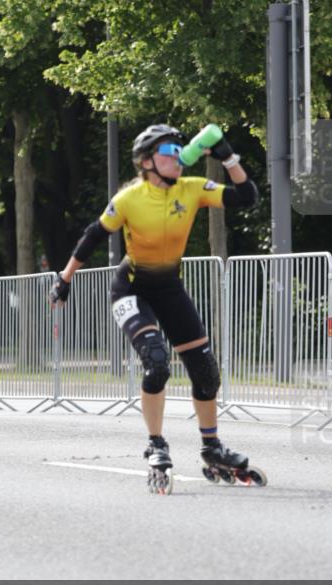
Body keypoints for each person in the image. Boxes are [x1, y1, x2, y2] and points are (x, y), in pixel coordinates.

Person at [49, 123, 262, 493]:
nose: (178, 156)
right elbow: (92, 236)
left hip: (168, 289)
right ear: (146, 162)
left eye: (181, 149)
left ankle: (211, 447)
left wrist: (228, 155)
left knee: (206, 372)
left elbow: (247, 197)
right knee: (156, 362)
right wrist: (64, 280)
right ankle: (157, 443)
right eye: (168, 151)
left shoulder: (193, 189)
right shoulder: (130, 198)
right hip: (131, 289)